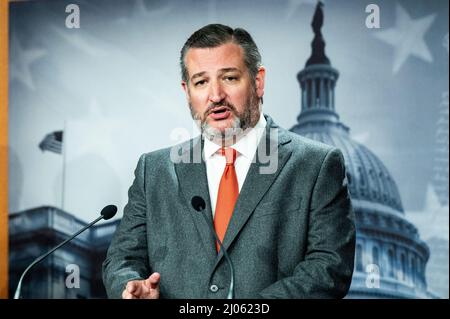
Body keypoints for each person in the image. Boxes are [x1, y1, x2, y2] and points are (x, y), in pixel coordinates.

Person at [102, 24, 355, 299]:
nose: (215, 95)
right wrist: (129, 287)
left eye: (230, 78)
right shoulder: (154, 171)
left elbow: (328, 269)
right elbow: (122, 260)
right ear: (187, 92)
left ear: (258, 81)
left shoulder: (316, 165)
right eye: (201, 82)